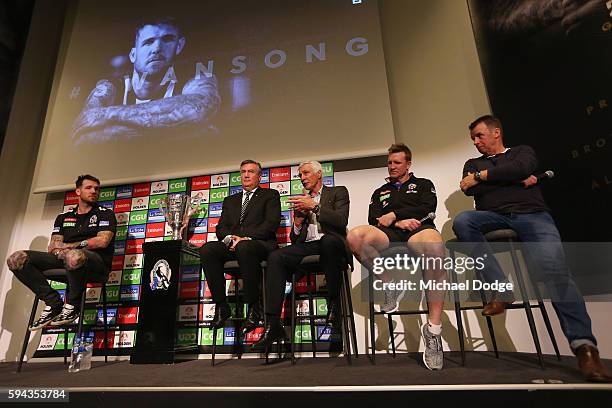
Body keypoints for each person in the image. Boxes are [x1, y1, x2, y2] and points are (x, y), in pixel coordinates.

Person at [453, 114, 612, 383]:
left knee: (557, 273)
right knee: (463, 220)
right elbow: (470, 190)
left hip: (533, 215)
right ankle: (502, 289)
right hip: (493, 215)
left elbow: (519, 168)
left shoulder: (521, 152)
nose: (476, 142)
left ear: (496, 133)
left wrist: (484, 177)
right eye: (473, 139)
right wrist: (511, 178)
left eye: (479, 135)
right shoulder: (472, 162)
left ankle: (585, 349)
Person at [346, 143, 446, 370]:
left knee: (436, 248)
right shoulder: (379, 192)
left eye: (397, 162)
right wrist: (395, 220)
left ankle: (433, 331)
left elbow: (428, 207)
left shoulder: (423, 184)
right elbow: (375, 219)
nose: (392, 166)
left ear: (408, 164)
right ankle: (389, 284)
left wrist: (396, 214)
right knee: (354, 237)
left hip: (419, 229)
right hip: (390, 234)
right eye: (389, 162)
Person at [71, 17, 220, 144]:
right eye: (148, 42)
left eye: (167, 40)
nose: (157, 48)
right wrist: (175, 128)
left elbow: (197, 110)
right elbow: (82, 132)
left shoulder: (198, 76)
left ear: (179, 46)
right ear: (133, 55)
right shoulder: (110, 86)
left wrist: (109, 115)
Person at [252, 160, 350, 350]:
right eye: (300, 175)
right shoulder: (301, 200)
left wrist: (315, 206)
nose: (302, 178)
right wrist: (297, 222)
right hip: (310, 246)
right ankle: (273, 324)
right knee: (275, 256)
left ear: (319, 174)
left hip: (332, 243)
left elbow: (340, 220)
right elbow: (296, 240)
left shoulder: (338, 192)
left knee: (329, 242)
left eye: (306, 173)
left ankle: (334, 305)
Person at [6, 175, 117, 330]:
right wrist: (60, 252)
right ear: (78, 191)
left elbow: (102, 241)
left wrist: (72, 246)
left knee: (74, 255)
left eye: (96, 189)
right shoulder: (63, 217)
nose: (94, 191)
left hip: (96, 266)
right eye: (89, 188)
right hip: (67, 260)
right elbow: (53, 246)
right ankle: (53, 302)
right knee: (16, 259)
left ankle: (72, 305)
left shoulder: (105, 213)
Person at [199, 160, 281, 335]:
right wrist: (231, 239)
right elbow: (221, 228)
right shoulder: (230, 200)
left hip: (261, 245)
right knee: (207, 249)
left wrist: (243, 238)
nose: (246, 175)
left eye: (251, 171)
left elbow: (270, 225)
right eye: (243, 171)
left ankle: (254, 307)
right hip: (234, 245)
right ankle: (221, 306)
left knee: (244, 246)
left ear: (259, 176)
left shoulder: (270, 195)